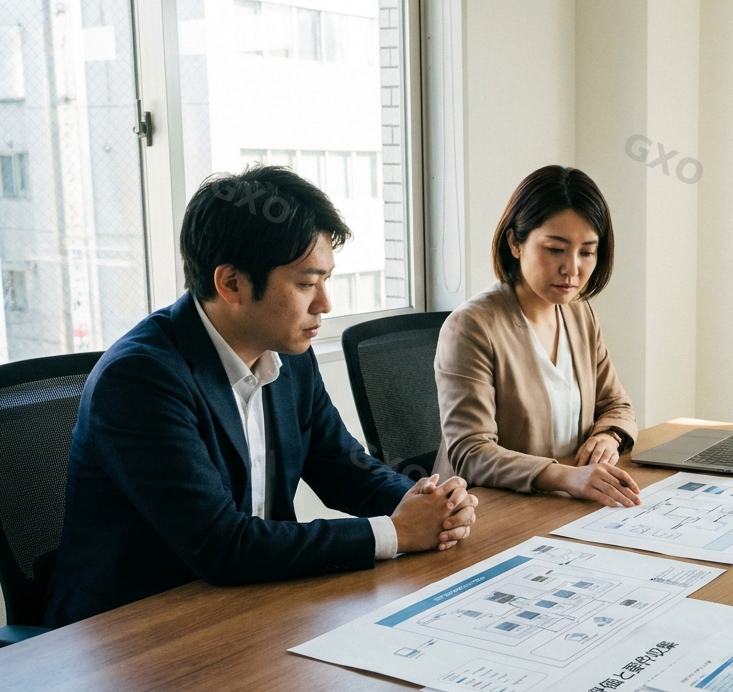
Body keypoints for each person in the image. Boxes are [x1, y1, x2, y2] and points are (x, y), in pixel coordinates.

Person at [44, 166, 478, 628]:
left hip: (250, 603)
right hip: (133, 632)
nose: (324, 305)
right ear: (231, 283)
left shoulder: (288, 356)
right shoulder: (140, 379)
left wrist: (429, 503)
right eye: (307, 284)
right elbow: (222, 544)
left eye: (326, 281)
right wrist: (395, 531)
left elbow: (341, 468)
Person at [433, 166, 640, 507]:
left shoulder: (580, 313)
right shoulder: (471, 327)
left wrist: (609, 435)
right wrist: (567, 476)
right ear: (515, 242)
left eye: (587, 252)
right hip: (490, 513)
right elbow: (472, 453)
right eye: (555, 249)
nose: (572, 269)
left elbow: (616, 404)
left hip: (566, 503)